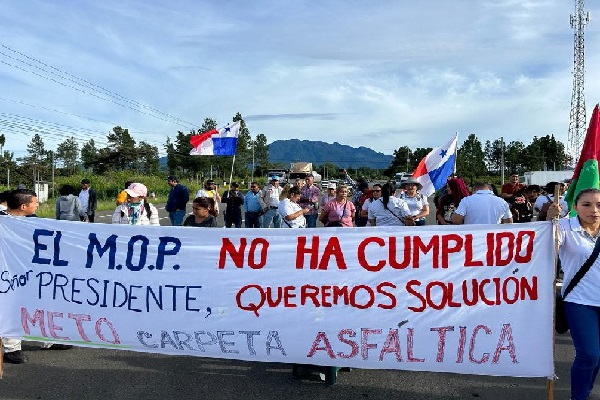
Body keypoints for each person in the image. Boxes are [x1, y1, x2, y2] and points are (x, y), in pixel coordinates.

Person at [2, 189, 72, 364]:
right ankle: (12, 348)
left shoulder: (35, 222)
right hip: (8, 273)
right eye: (35, 203)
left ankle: (49, 339)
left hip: (35, 271)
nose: (37, 205)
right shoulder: (3, 222)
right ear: (24, 206)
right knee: (11, 308)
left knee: (42, 304)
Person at [547, 188, 600, 400]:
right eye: (586, 205)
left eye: (599, 205)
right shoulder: (565, 227)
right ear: (575, 207)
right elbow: (544, 246)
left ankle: (584, 392)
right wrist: (549, 222)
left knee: (598, 358)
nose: (594, 210)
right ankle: (578, 397)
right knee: (589, 354)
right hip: (579, 301)